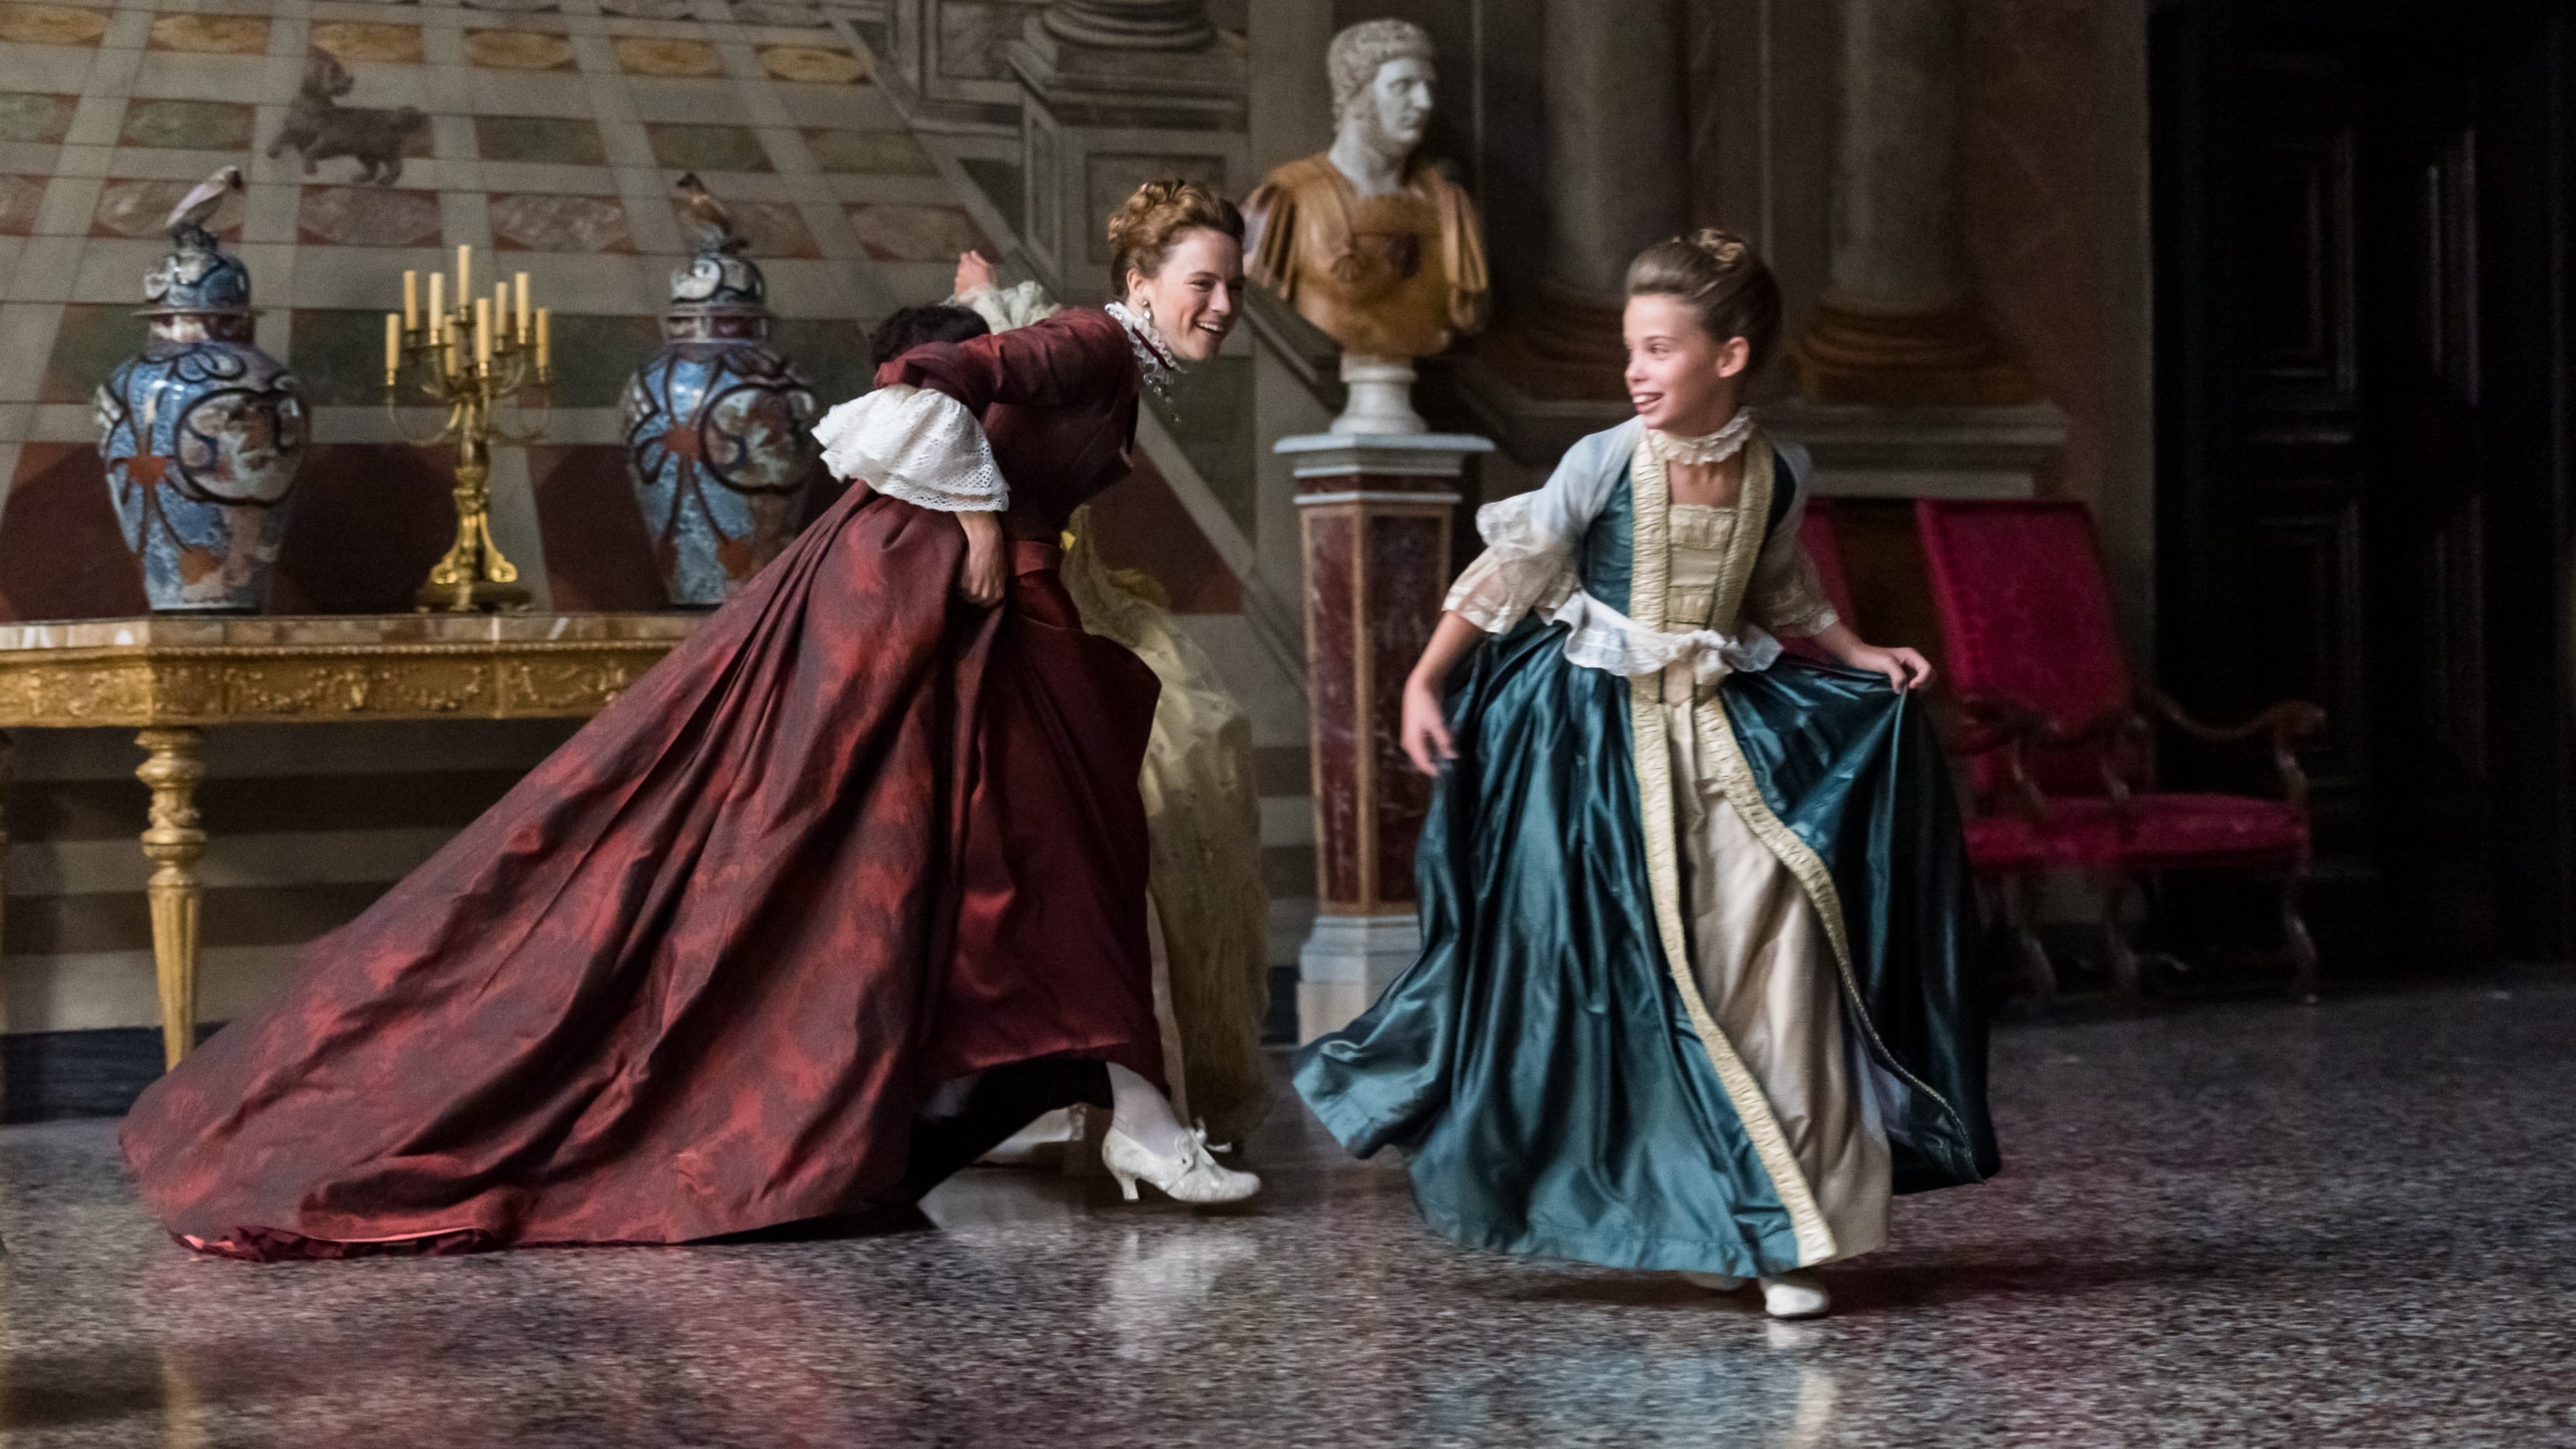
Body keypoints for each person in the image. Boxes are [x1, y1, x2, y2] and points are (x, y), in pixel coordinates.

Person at [119, 177, 1261, 1259]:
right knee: (849, 843)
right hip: (905, 594)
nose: (1219, 305)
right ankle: (1126, 1115)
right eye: (1201, 282)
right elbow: (923, 371)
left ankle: (1102, 1107)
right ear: (1141, 280)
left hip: (963, 617)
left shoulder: (1116, 359)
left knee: (1034, 854)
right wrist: (973, 523)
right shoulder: (1094, 340)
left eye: (1232, 287)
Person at [1293, 230, 2000, 1319]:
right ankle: (1716, 1215)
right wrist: (1425, 680)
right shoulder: (1605, 460)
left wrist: (1856, 652)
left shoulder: (1779, 471)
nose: (1635, 370)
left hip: (1722, 731)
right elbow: (1512, 570)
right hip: (1594, 744)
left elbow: (1780, 586)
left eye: (1659, 349)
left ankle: (1779, 1222)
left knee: (1781, 960)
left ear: (1730, 356)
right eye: (1631, 348)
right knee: (1641, 981)